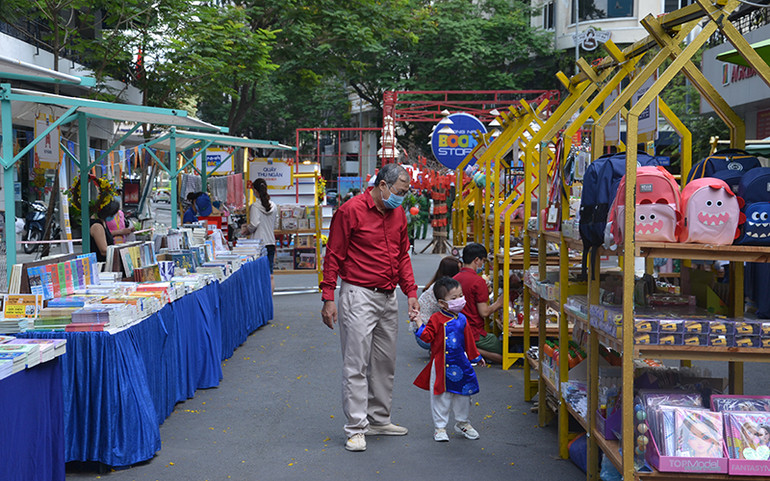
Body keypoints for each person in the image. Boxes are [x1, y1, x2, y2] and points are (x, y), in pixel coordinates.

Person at [321, 163, 420, 453]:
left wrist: (411, 292)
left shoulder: (397, 213)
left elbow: (402, 255)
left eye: (405, 192)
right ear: (382, 186)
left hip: (388, 295)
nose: (402, 197)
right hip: (359, 294)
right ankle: (355, 427)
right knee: (356, 364)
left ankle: (378, 419)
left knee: (384, 362)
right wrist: (328, 296)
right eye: (400, 191)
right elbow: (334, 254)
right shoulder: (350, 211)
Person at [413, 276, 484, 442]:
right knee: (441, 397)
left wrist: (476, 356)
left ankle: (462, 422)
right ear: (442, 303)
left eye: (461, 296)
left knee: (464, 395)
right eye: (454, 298)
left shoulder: (462, 319)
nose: (459, 300)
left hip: (461, 364)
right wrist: (418, 321)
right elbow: (427, 337)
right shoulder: (436, 319)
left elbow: (469, 341)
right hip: (440, 365)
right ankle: (440, 427)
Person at [454, 243, 505, 364]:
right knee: (504, 351)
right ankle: (473, 350)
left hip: (456, 329)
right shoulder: (477, 281)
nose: (483, 265)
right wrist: (499, 303)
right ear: (476, 260)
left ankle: (468, 349)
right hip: (473, 332)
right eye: (483, 261)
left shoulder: (455, 278)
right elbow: (484, 312)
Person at [413, 256, 463, 349]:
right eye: (459, 270)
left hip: (424, 330)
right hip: (425, 334)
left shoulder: (439, 286)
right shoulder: (444, 290)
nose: (461, 273)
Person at [241, 178, 278, 275]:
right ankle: (270, 286)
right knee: (269, 273)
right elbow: (276, 224)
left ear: (255, 191)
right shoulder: (274, 206)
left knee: (259, 273)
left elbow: (254, 224)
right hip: (271, 242)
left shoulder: (255, 207)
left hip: (258, 244)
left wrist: (247, 230)